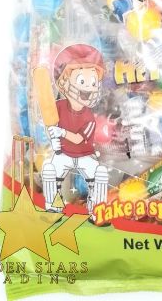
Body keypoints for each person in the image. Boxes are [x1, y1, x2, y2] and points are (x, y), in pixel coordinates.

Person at [41, 44, 108, 221]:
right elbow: (48, 122)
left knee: (100, 174)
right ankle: (53, 208)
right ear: (64, 82)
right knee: (49, 170)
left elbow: (78, 139)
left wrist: (61, 133)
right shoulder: (58, 107)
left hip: (85, 156)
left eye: (93, 83)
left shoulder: (88, 116)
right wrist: (51, 135)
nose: (89, 88)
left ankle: (98, 211)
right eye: (82, 82)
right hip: (63, 154)